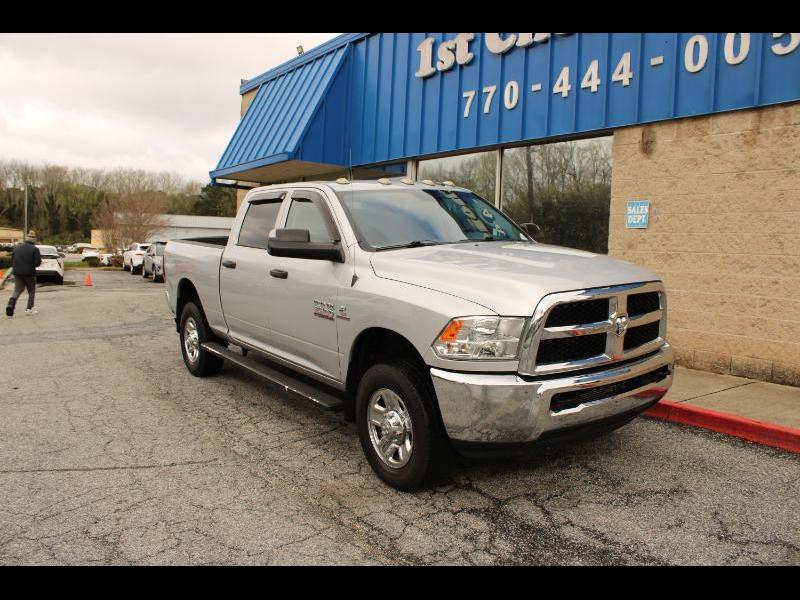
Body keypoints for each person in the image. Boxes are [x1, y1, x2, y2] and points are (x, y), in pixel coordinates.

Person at [6, 240, 41, 317]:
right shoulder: (35, 249)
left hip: (17, 273)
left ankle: (10, 304)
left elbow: (12, 260)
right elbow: (37, 263)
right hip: (29, 274)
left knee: (17, 290)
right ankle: (29, 309)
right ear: (33, 242)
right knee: (31, 291)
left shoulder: (17, 248)